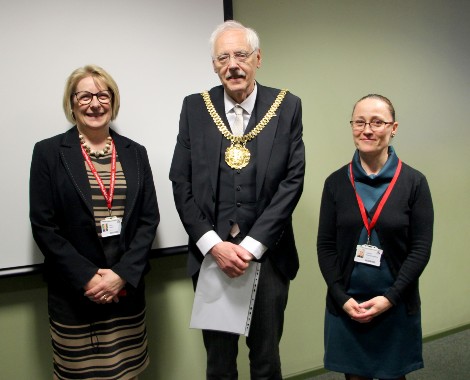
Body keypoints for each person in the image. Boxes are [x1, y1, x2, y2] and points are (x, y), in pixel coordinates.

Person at [169, 20, 305, 379]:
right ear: (214, 65)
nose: (233, 65)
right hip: (212, 256)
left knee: (265, 360)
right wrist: (214, 245)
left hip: (268, 256)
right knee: (219, 363)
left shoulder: (287, 106)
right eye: (223, 57)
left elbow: (292, 182)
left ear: (257, 58)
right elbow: (180, 182)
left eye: (241, 54)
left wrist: (251, 246)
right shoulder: (195, 108)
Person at [29, 65, 160, 380]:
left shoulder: (135, 153)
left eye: (103, 95)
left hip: (124, 292)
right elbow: (44, 226)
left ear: (113, 102)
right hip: (76, 294)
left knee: (127, 372)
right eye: (85, 96)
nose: (95, 103)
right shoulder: (48, 153)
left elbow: (148, 219)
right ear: (72, 103)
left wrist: (121, 276)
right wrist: (89, 278)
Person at [317, 94, 434, 380]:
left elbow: (420, 249)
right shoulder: (335, 183)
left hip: (395, 306)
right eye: (360, 122)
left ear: (393, 128)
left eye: (377, 122)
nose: (367, 129)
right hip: (348, 306)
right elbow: (325, 246)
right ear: (352, 126)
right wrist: (341, 296)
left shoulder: (414, 182)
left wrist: (390, 298)